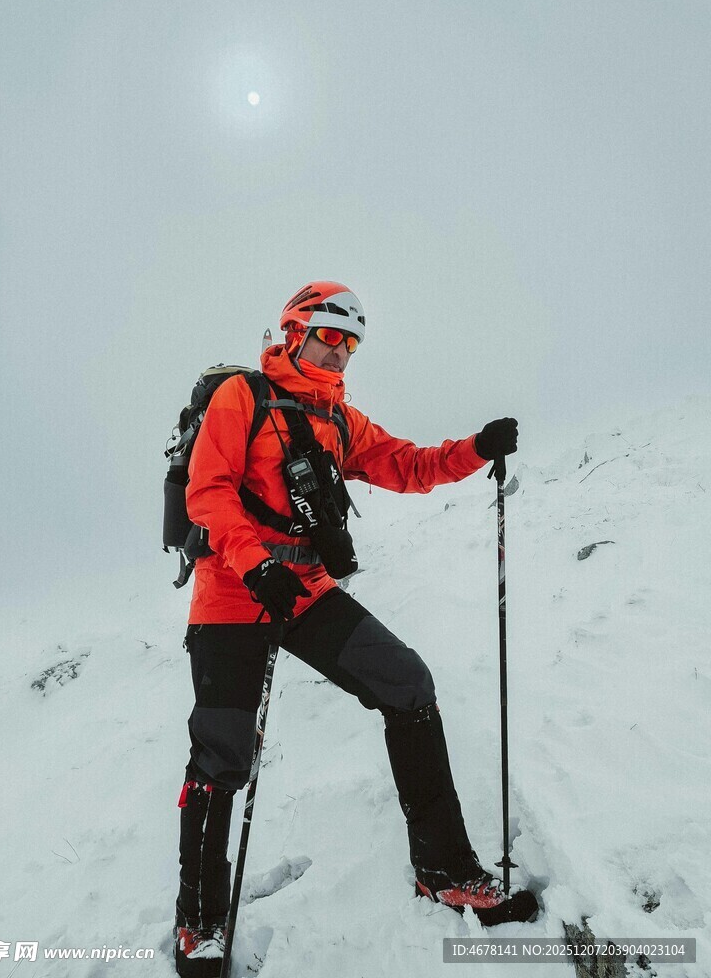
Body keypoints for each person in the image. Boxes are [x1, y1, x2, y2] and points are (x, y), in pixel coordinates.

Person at [173, 282, 522, 977]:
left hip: (303, 591)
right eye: (330, 336)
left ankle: (443, 869)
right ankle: (199, 922)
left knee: (407, 683)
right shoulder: (242, 397)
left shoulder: (338, 417)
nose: (341, 352)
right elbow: (208, 492)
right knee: (224, 755)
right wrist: (253, 565)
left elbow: (406, 464)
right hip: (233, 593)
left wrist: (475, 449)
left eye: (352, 342)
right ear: (295, 329)